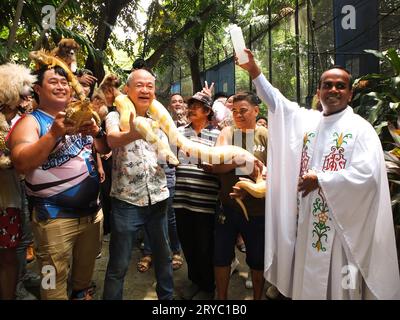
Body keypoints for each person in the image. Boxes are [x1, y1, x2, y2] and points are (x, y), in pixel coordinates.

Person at [238, 49, 400, 299]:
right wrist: (254, 71)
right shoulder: (309, 122)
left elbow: (369, 176)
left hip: (343, 231)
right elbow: (278, 103)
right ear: (319, 92)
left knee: (341, 287)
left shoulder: (360, 129)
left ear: (350, 93)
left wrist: (323, 180)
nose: (333, 90)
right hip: (308, 226)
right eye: (327, 85)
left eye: (340, 86)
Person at [8, 65, 108, 300]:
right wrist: (53, 134)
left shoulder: (81, 114)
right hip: (53, 221)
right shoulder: (30, 122)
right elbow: (21, 163)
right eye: (54, 82)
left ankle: (81, 292)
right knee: (51, 282)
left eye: (65, 82)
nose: (62, 86)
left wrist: (97, 133)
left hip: (93, 216)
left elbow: (103, 149)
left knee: (83, 281)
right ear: (37, 89)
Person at [103, 67, 174, 300]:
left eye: (150, 86)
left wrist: (172, 158)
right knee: (119, 263)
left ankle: (167, 300)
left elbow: (168, 152)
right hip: (127, 201)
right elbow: (112, 139)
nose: (145, 90)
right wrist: (134, 132)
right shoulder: (115, 115)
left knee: (164, 258)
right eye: (139, 85)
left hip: (159, 199)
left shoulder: (161, 120)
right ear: (127, 89)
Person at [206, 92, 267, 300]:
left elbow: (273, 172)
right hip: (228, 207)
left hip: (257, 211)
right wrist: (238, 161)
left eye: (244, 111)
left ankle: (258, 297)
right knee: (221, 256)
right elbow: (215, 166)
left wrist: (249, 185)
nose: (238, 115)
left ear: (256, 111)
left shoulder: (265, 135)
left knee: (257, 259)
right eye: (234, 111)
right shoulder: (227, 133)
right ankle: (221, 299)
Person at [174, 91, 220, 300]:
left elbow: (226, 166)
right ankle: (195, 281)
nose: (190, 108)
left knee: (205, 247)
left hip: (206, 202)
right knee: (188, 245)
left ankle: (208, 287)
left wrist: (214, 167)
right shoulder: (178, 133)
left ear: (208, 111)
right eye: (189, 104)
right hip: (182, 198)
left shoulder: (220, 136)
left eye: (196, 106)